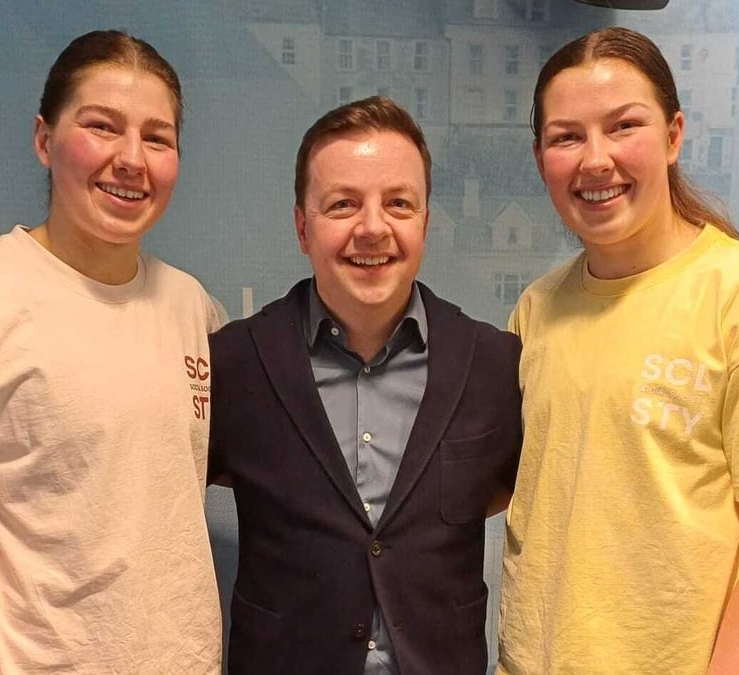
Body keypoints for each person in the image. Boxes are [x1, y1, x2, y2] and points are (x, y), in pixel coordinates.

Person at [0, 30, 223, 674]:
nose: (131, 159)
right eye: (102, 127)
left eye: (157, 137)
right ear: (44, 140)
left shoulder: (192, 307)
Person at [497, 27, 739, 675]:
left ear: (675, 135)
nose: (595, 158)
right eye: (567, 136)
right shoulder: (534, 311)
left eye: (624, 126)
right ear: (541, 155)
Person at [207, 96, 522, 674]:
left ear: (425, 222)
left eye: (398, 203)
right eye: (343, 204)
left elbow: (505, 494)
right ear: (303, 226)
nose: (372, 228)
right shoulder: (235, 362)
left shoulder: (493, 364)